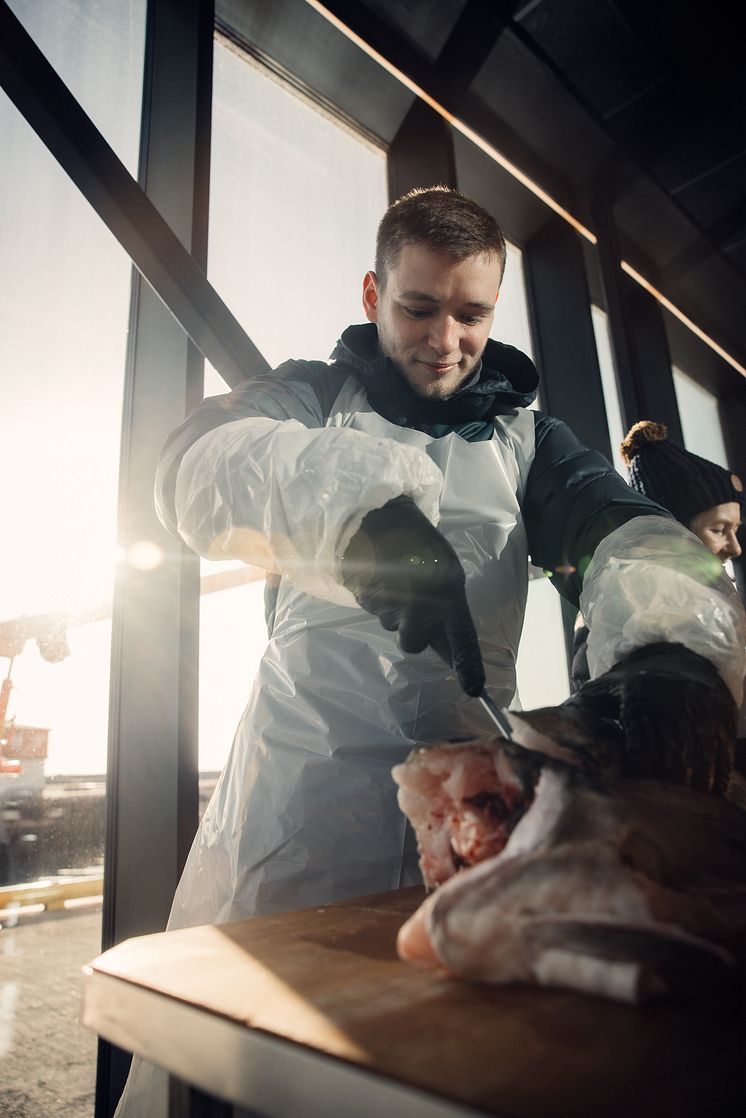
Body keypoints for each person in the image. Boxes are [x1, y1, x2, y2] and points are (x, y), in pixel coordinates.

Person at [114, 186, 746, 1116]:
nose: (444, 338)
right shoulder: (312, 395)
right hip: (298, 794)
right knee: (249, 1067)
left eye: (471, 312)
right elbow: (191, 466)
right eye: (418, 306)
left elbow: (627, 531)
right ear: (373, 295)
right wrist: (357, 518)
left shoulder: (530, 441)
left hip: (464, 798)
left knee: (442, 1050)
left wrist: (676, 648)